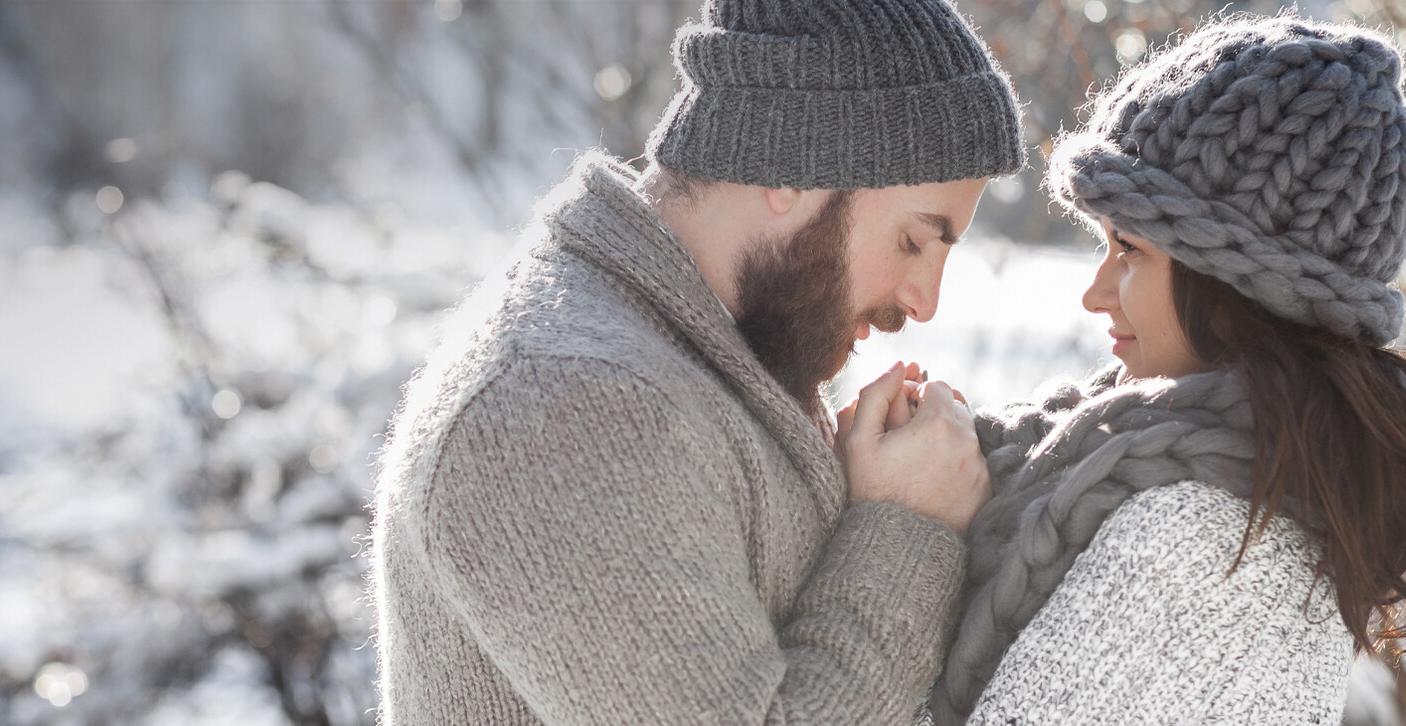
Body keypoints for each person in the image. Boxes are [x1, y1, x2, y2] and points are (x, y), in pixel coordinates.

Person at [367, 0, 1024, 723]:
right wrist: (905, 527)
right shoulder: (563, 405)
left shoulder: (718, 352)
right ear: (792, 167)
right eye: (912, 241)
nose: (922, 302)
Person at [923, 16, 1406, 725]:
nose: (1095, 291)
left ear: (1235, 281)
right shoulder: (1246, 474)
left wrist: (906, 530)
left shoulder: (1203, 539)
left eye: (1129, 249)